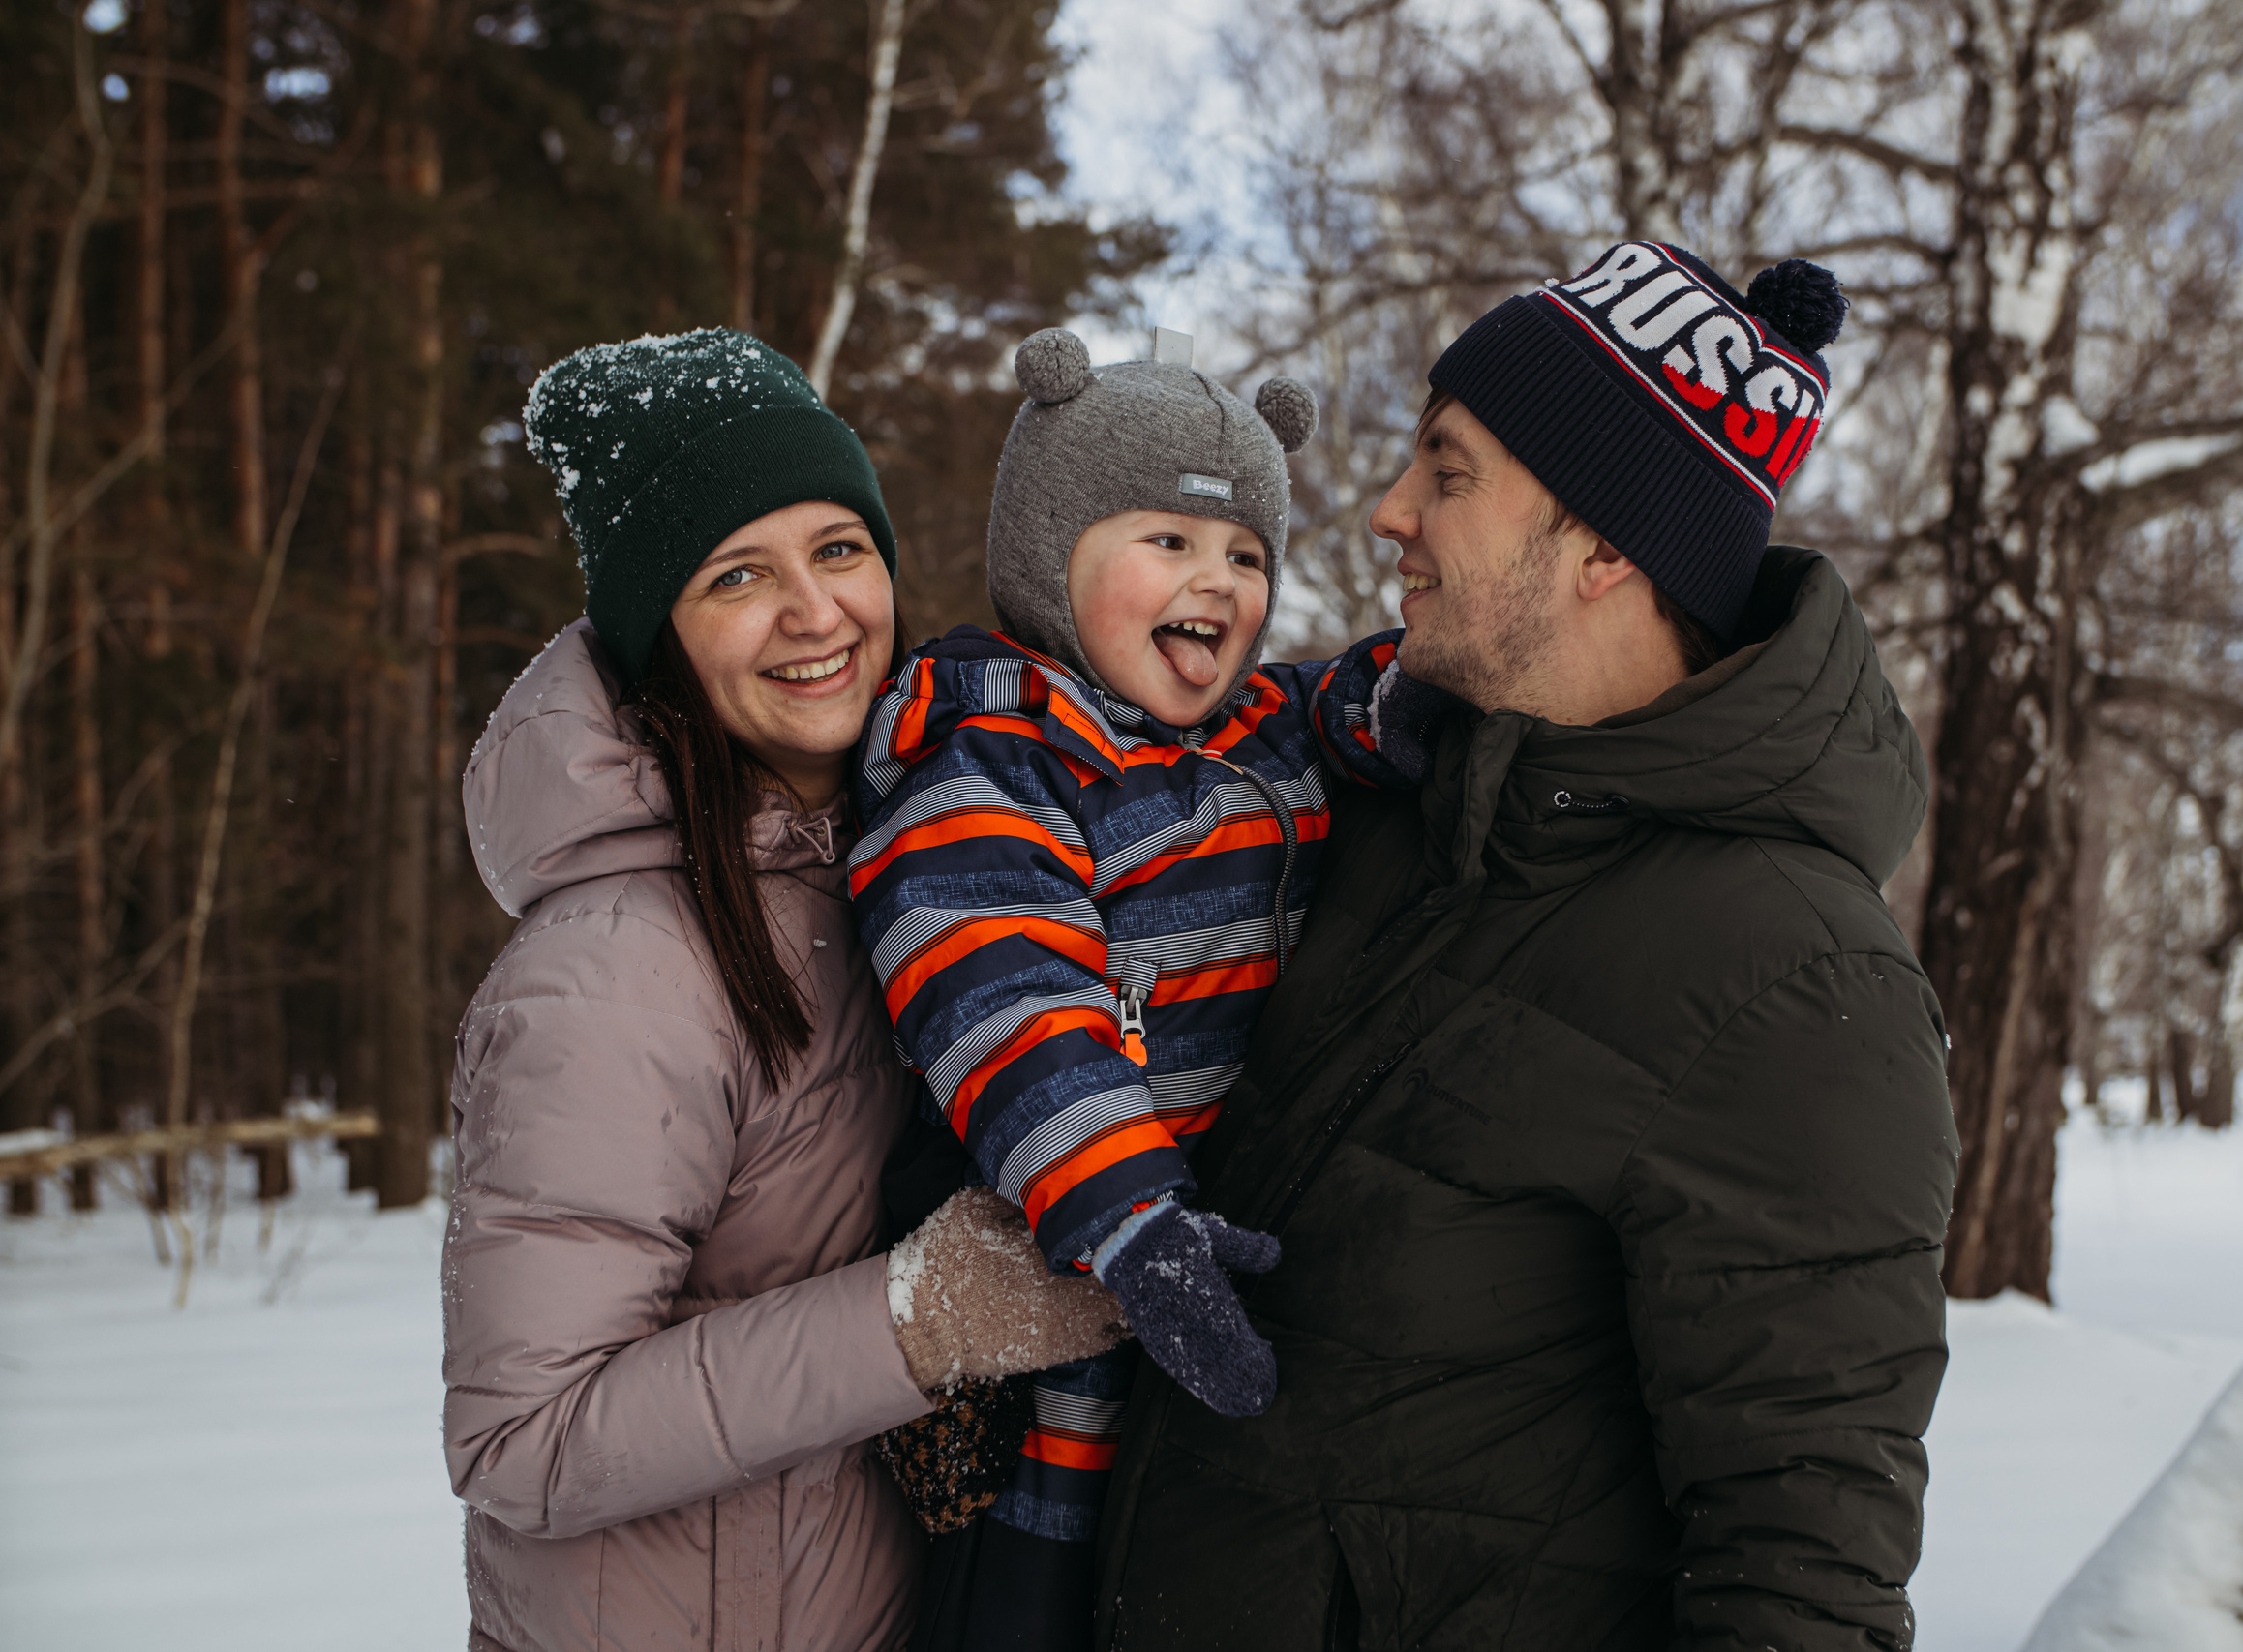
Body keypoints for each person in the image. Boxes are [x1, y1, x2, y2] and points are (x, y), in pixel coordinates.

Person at [1092, 243, 1962, 1649]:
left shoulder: (1799, 985)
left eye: (1447, 472)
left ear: (1606, 548)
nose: (1388, 515)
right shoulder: (1393, 810)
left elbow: (1802, 1583)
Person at [440, 329, 1126, 1652]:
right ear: (660, 642)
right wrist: (915, 1319)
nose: (815, 613)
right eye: (737, 575)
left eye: (838, 549)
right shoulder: (615, 974)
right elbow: (522, 1443)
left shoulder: (919, 872)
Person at [847, 329, 1446, 1650]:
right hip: (1064, 1344)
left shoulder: (1262, 733)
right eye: (1166, 542)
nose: (1215, 583)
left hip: (1217, 1337)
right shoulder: (989, 768)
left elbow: (1348, 697)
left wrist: (1424, 700)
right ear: (1050, 555)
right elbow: (1008, 1005)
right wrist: (1131, 1216)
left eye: (1244, 556)